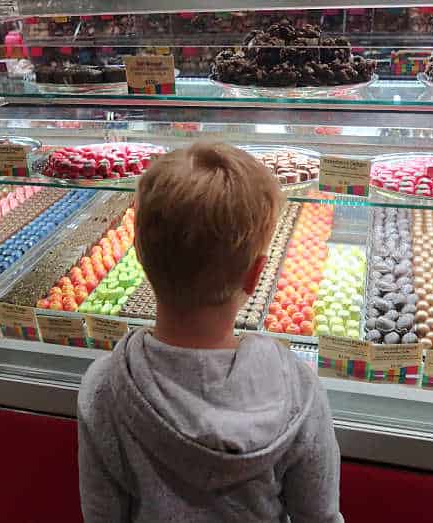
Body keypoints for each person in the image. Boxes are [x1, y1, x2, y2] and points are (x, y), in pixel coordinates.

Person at [78, 142, 342, 523]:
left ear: (137, 253)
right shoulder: (298, 389)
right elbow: (319, 517)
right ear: (255, 275)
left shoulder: (103, 388)